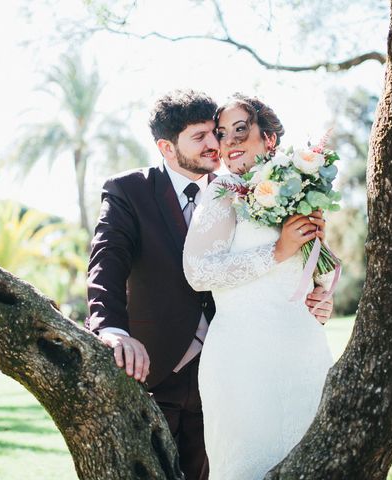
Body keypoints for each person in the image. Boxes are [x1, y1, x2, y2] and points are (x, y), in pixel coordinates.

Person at [86, 89, 333, 480]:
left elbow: (309, 262)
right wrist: (110, 329)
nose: (215, 144)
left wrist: (319, 294)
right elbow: (106, 264)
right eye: (201, 136)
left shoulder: (255, 189)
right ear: (167, 148)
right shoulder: (128, 191)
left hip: (234, 365)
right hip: (156, 369)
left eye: (214, 133)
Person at [183, 93, 335, 480]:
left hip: (304, 353)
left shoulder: (300, 190)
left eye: (240, 130)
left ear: (268, 139)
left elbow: (318, 265)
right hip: (242, 358)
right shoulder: (222, 193)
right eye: (222, 133)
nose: (229, 142)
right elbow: (198, 272)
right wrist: (277, 251)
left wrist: (323, 295)